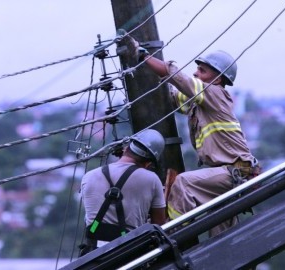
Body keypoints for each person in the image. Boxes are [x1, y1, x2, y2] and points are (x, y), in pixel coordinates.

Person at [120, 31, 260, 238]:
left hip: (233, 172)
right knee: (222, 232)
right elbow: (174, 96)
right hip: (224, 175)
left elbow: (174, 75)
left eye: (202, 71)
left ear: (218, 78)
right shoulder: (200, 104)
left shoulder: (215, 93)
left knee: (183, 183)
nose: (196, 73)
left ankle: (173, 233)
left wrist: (142, 55)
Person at [80, 129, 166, 255]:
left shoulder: (88, 176)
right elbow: (159, 224)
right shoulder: (151, 179)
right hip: (129, 250)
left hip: (93, 253)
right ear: (148, 163)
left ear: (126, 149)